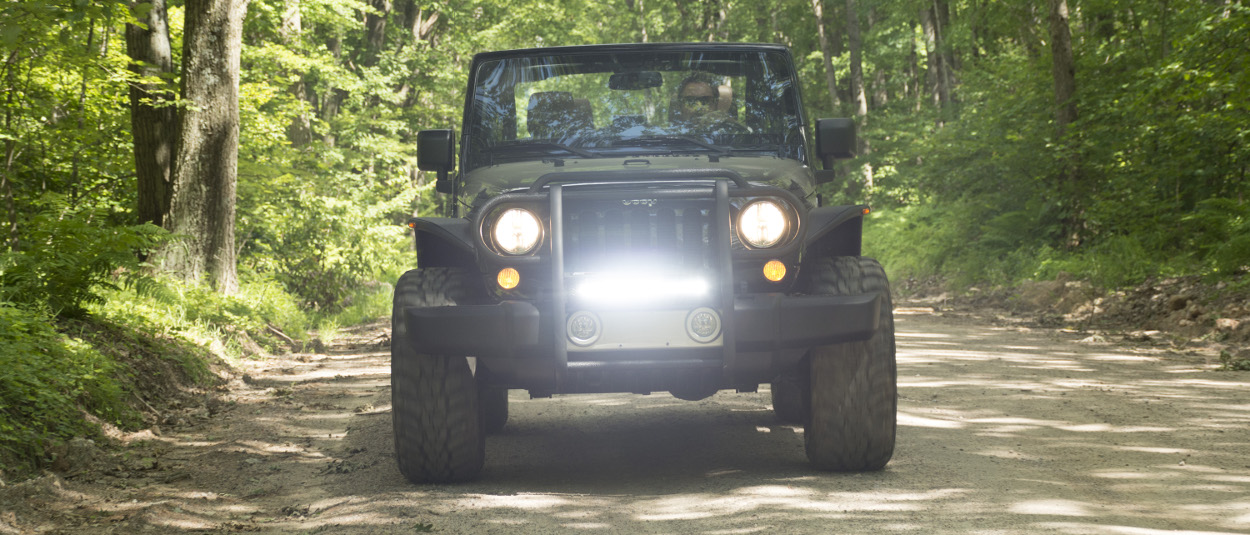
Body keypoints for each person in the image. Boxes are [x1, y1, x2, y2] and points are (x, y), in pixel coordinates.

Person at [671, 73, 744, 135]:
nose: (698, 107)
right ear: (680, 105)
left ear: (715, 104)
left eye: (705, 100)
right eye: (690, 101)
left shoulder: (732, 135)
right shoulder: (665, 137)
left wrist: (727, 121)